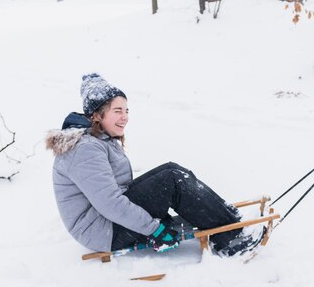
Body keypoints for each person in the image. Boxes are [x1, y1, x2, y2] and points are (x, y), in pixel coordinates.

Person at [46, 73, 262, 256]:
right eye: (117, 111)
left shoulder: (98, 141)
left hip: (107, 222)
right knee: (172, 180)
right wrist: (155, 230)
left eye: (126, 110)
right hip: (103, 231)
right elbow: (110, 204)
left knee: (172, 170)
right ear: (96, 115)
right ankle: (230, 240)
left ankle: (227, 219)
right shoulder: (84, 149)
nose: (125, 117)